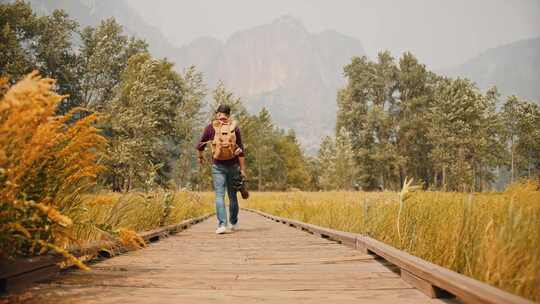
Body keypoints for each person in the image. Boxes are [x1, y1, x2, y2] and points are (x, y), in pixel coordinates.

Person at [196, 104, 247, 234]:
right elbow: (240, 151)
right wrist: (242, 170)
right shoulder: (234, 128)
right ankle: (233, 222)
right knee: (232, 196)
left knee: (219, 195)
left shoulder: (211, 127)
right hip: (233, 166)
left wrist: (201, 157)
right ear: (229, 116)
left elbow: (200, 145)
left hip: (218, 166)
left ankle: (222, 224)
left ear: (217, 114)